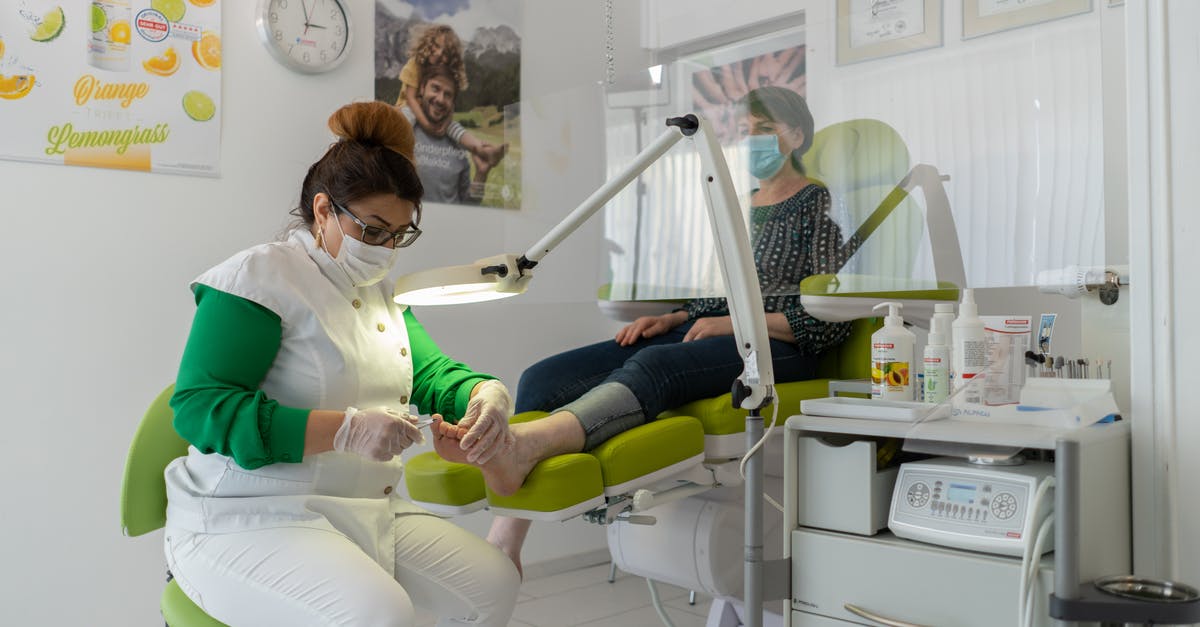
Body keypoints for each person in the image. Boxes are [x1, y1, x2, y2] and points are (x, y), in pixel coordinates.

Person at [432, 87, 852, 575]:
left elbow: (826, 316)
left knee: (653, 367)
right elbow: (718, 290)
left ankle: (524, 446)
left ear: (795, 135)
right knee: (543, 377)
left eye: (764, 130)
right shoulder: (736, 202)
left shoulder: (817, 205)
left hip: (776, 348)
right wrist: (675, 317)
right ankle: (506, 539)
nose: (750, 140)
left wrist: (734, 322)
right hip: (712, 330)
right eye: (745, 131)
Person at [163, 101, 520, 627]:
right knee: (379, 614)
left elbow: (427, 375)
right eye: (373, 230)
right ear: (325, 210)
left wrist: (483, 395)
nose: (386, 249)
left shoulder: (382, 294)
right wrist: (345, 432)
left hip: (366, 507)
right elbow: (198, 407)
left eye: (400, 234)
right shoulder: (260, 279)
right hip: (249, 514)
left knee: (494, 586)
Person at [395, 23, 507, 172]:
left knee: (455, 128)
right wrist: (427, 126)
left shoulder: (445, 73)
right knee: (408, 117)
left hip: (432, 110)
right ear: (427, 44)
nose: (439, 53)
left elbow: (450, 105)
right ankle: (393, 150)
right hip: (409, 107)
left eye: (446, 51)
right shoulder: (415, 64)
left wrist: (445, 124)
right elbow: (411, 98)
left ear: (452, 57)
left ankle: (483, 150)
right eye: (435, 45)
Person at [404, 65, 502, 204]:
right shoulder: (404, 129)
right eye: (435, 88)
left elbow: (470, 206)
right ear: (422, 88)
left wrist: (481, 174)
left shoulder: (460, 144)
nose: (440, 99)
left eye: (448, 95)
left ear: (453, 103)